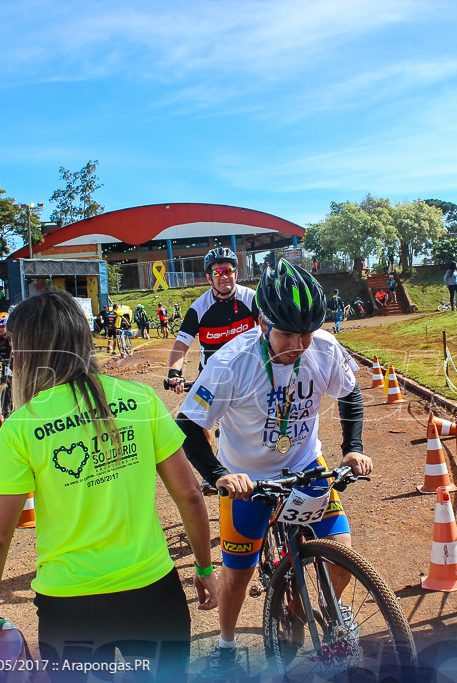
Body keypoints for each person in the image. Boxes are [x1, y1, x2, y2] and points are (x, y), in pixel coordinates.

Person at [0, 291, 218, 680]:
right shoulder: (141, 400)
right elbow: (191, 496)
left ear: (28, 351)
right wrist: (204, 566)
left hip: (70, 606)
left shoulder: (22, 426)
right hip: (152, 593)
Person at [174, 260, 370, 677]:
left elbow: (352, 396)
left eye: (307, 333)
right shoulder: (232, 362)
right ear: (263, 322)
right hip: (248, 478)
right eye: (286, 334)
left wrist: (352, 448)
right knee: (239, 574)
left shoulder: (324, 347)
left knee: (342, 554)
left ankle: (308, 610)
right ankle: (227, 645)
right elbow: (187, 425)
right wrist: (219, 475)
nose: (298, 344)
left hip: (305, 464)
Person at [167, 247, 259, 393]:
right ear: (209, 278)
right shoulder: (198, 308)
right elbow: (181, 346)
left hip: (247, 374)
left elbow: (271, 332)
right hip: (211, 377)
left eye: (228, 271)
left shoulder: (252, 298)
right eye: (218, 272)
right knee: (190, 415)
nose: (224, 276)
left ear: (236, 273)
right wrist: (174, 373)